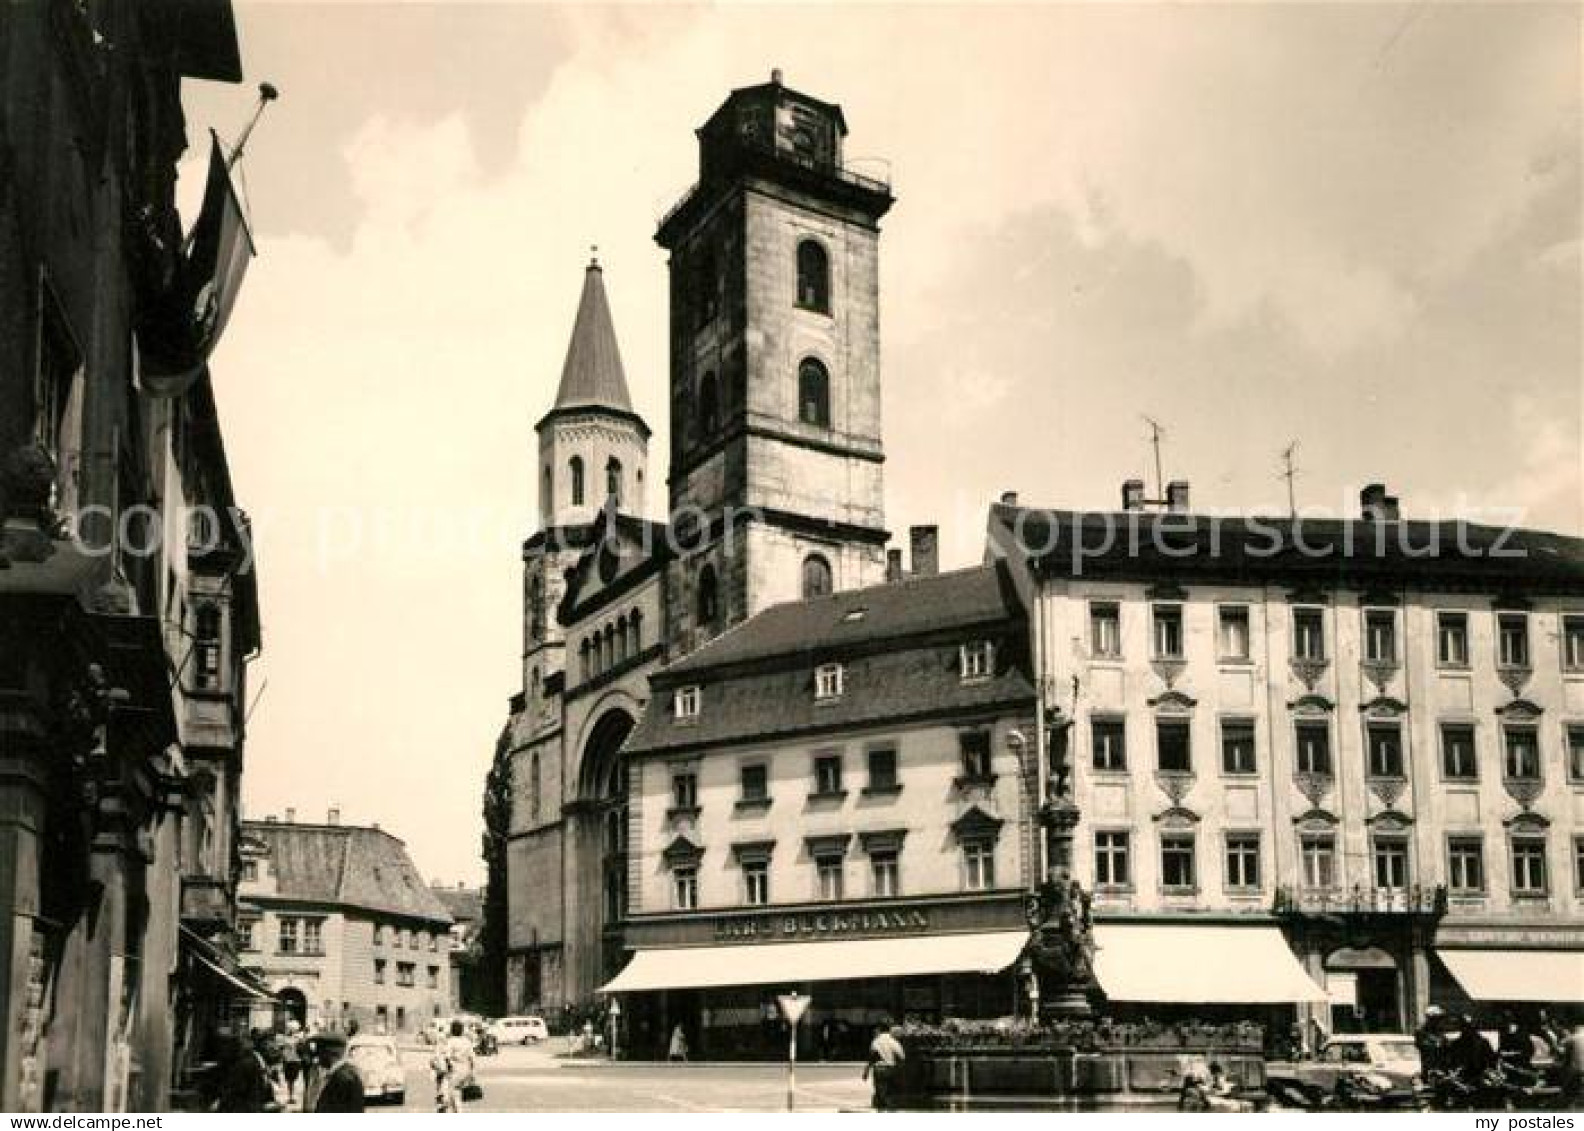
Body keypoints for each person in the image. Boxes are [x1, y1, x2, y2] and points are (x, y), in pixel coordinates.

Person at [213, 1033, 275, 1112]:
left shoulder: (245, 1062)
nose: (271, 1046)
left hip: (245, 1105)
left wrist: (220, 1101)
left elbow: (236, 1088)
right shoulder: (253, 1059)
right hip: (253, 1103)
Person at [306, 1033, 364, 1113]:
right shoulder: (345, 1074)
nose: (318, 1059)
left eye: (320, 1054)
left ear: (330, 1054)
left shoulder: (342, 1078)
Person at [432, 1019, 477, 1112]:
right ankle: (450, 1106)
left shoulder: (451, 1041)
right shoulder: (467, 1041)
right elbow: (472, 1058)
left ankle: (446, 1104)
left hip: (455, 1070)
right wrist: (472, 1073)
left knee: (452, 1091)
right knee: (457, 1091)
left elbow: (447, 1057)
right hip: (466, 1070)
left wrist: (448, 1068)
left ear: (452, 1030)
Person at [863, 1020, 906, 1112]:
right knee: (890, 1092)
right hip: (890, 1069)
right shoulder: (893, 1041)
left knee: (879, 1092)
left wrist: (866, 1071)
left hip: (878, 1069)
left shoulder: (875, 1041)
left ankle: (881, 1110)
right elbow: (902, 1056)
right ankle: (891, 1110)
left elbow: (872, 1057)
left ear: (880, 1030)